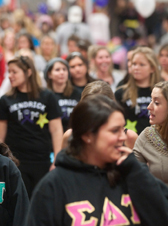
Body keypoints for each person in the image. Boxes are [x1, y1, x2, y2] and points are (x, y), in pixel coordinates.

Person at [26, 95, 168, 226]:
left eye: (122, 129)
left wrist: (137, 171)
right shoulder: (54, 186)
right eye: (114, 131)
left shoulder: (133, 172)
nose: (123, 137)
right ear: (88, 135)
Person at [0, 56, 63, 198]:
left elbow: (56, 130)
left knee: (42, 203)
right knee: (20, 203)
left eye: (14, 72)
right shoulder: (6, 99)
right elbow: (0, 135)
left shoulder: (47, 96)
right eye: (9, 72)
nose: (10, 76)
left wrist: (57, 158)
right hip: (16, 161)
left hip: (42, 160)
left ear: (28, 72)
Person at [62, 81, 138, 149]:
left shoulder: (129, 137)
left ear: (112, 105)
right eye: (90, 106)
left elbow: (140, 164)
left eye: (100, 107)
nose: (95, 112)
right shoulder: (70, 136)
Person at [115, 47, 161, 135]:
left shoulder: (163, 92)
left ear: (152, 68)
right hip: (130, 141)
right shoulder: (120, 93)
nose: (136, 68)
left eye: (141, 64)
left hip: (159, 141)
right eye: (134, 64)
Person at [134, 81, 168, 186]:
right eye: (150, 101)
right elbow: (133, 176)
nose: (149, 107)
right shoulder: (147, 136)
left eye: (156, 103)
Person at [44, 58, 80, 132]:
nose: (62, 72)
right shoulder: (45, 96)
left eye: (64, 69)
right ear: (49, 74)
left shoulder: (77, 94)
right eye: (57, 70)